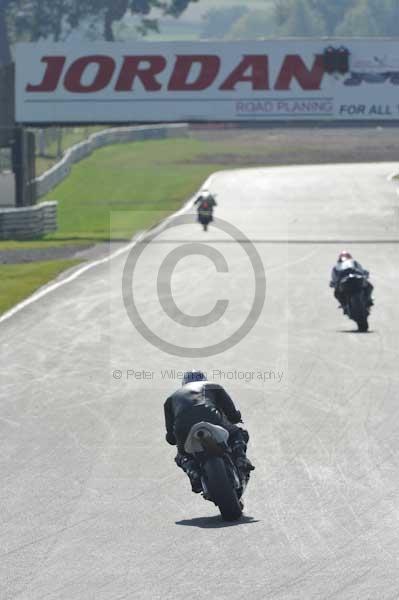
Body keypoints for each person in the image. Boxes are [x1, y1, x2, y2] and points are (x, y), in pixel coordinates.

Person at [164, 370, 254, 493]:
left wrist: (173, 439)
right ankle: (240, 458)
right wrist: (235, 417)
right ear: (203, 379)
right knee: (237, 433)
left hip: (183, 427)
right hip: (211, 417)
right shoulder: (213, 386)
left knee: (182, 455)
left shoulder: (171, 398)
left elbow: (170, 436)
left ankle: (193, 472)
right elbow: (230, 411)